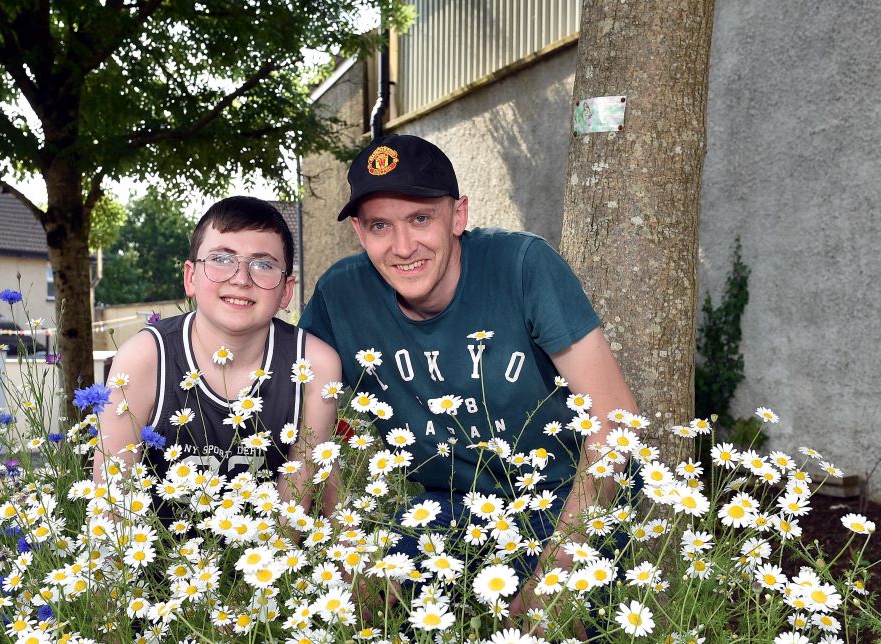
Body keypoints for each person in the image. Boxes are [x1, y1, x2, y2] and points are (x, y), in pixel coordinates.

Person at [299, 134, 638, 611]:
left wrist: (552, 585)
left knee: (564, 627)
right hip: (445, 505)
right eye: (380, 225)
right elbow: (307, 418)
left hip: (566, 500)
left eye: (421, 218)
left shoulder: (522, 266)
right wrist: (345, 546)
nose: (402, 246)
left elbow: (615, 419)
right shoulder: (341, 295)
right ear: (359, 231)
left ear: (458, 215)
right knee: (365, 610)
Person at [94, 196, 342, 516]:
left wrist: (263, 566)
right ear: (190, 277)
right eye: (221, 259)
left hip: (269, 558)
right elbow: (110, 503)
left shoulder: (315, 364)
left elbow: (294, 501)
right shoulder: (143, 359)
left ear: (286, 290)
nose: (240, 279)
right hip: (156, 559)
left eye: (263, 264)